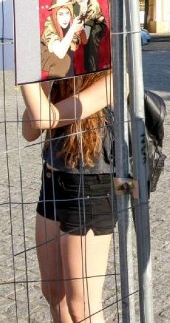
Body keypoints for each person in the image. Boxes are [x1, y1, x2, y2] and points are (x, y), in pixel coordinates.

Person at [21, 70, 115, 323]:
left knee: (82, 305)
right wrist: (42, 82)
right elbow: (29, 132)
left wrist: (23, 68)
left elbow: (45, 118)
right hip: (52, 183)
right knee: (53, 293)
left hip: (90, 188)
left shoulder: (116, 76)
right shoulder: (61, 73)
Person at [68, 0, 108, 74]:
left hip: (97, 24)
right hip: (82, 24)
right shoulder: (72, 4)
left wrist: (82, 15)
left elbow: (85, 38)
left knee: (91, 39)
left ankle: (92, 71)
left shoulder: (92, 3)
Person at [41, 0, 86, 79]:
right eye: (61, 14)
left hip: (68, 69)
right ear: (55, 14)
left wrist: (84, 19)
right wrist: (73, 29)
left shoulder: (72, 22)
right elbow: (60, 52)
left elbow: (85, 41)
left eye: (67, 13)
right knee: (64, 60)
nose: (65, 18)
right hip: (43, 56)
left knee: (69, 57)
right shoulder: (50, 25)